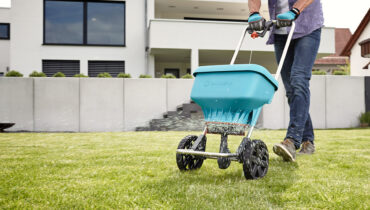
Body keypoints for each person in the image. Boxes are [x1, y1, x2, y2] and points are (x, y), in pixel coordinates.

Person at [247, 0, 324, 162]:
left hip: (307, 27)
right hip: (281, 31)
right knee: (291, 90)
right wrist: (254, 13)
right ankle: (308, 141)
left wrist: (295, 11)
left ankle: (292, 140)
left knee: (299, 80)